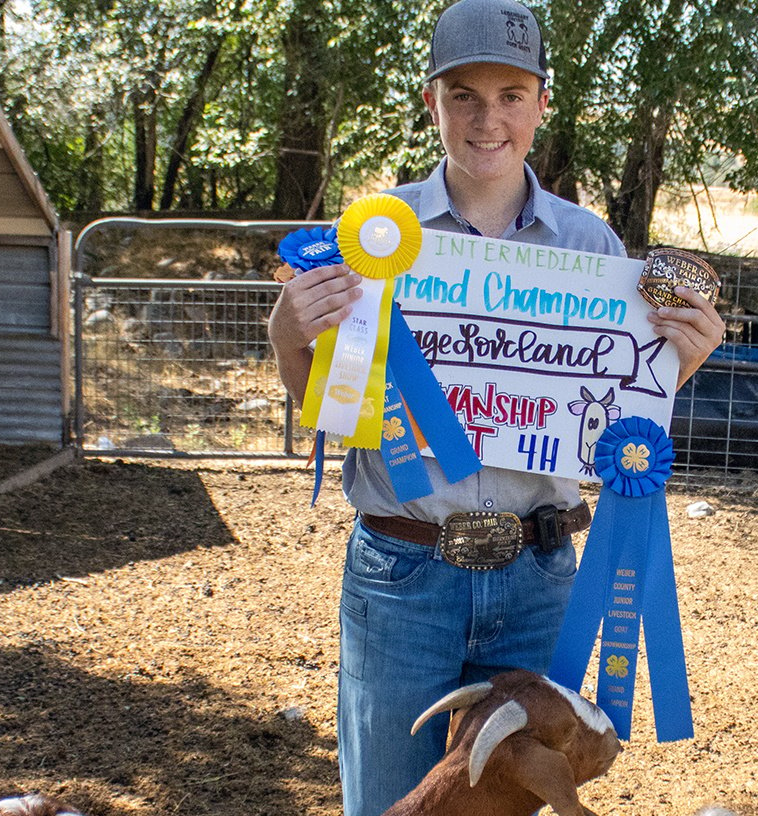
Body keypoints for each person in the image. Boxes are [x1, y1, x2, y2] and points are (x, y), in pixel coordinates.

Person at [266, 1, 723, 812]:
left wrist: (677, 362)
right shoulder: (374, 236)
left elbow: (610, 426)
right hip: (404, 575)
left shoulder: (592, 249)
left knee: (508, 802)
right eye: (465, 95)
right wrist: (287, 334)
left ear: (543, 104)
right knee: (388, 806)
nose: (489, 119)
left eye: (511, 95)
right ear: (430, 102)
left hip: (538, 574)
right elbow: (328, 406)